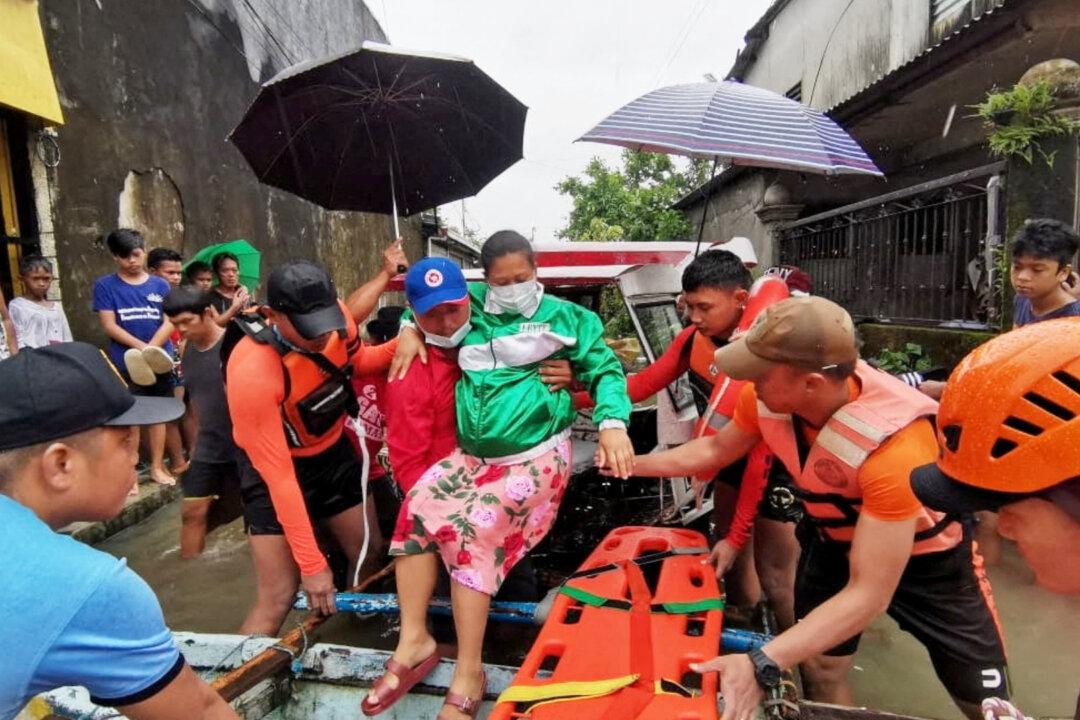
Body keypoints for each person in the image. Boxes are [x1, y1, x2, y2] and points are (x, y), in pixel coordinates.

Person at [626, 296, 1009, 720]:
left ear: (810, 383)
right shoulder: (767, 397)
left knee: (987, 705)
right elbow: (715, 450)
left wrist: (761, 662)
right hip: (834, 541)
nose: (749, 382)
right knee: (822, 665)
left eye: (760, 372)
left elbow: (869, 594)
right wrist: (628, 464)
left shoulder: (897, 448)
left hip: (931, 563)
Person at [369, 234, 634, 720]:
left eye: (522, 278)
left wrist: (612, 424)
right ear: (484, 281)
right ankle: (414, 640)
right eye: (501, 281)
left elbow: (607, 371)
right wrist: (407, 325)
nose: (512, 289)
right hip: (473, 459)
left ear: (537, 271)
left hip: (535, 456)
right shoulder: (470, 313)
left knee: (478, 529)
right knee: (418, 505)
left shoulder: (571, 319)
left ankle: (470, 669)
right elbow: (430, 311)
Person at [0, 342, 237, 720]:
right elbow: (201, 713)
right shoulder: (86, 585)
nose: (137, 455)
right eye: (127, 441)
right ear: (61, 464)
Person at [574, 250, 799, 628]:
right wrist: (571, 399)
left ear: (740, 299)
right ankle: (744, 626)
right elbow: (643, 384)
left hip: (776, 467)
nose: (693, 317)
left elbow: (760, 458)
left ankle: (794, 660)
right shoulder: (692, 339)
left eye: (704, 307)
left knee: (777, 574)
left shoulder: (767, 354)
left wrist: (742, 529)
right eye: (688, 306)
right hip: (727, 456)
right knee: (729, 551)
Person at [225, 260, 395, 635]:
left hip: (333, 454)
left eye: (325, 321)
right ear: (273, 315)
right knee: (278, 595)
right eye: (308, 329)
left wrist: (407, 341)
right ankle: (226, 687)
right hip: (275, 471)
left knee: (368, 553)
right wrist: (311, 564)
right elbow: (280, 478)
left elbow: (360, 361)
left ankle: (355, 633)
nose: (321, 336)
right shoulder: (253, 370)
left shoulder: (340, 323)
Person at [92, 229, 184, 487]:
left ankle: (157, 466)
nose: (131, 261)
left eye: (135, 254)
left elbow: (170, 320)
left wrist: (152, 348)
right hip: (126, 360)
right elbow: (109, 325)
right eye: (124, 257)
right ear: (114, 257)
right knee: (130, 416)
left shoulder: (160, 285)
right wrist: (140, 347)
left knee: (158, 413)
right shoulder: (105, 285)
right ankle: (130, 473)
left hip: (159, 359)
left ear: (144, 250)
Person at [163, 287, 243, 559]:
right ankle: (183, 578)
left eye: (187, 321)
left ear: (208, 313)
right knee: (192, 512)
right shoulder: (186, 350)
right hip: (209, 449)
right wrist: (195, 449)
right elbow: (197, 401)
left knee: (251, 516)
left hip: (244, 448)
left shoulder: (236, 345)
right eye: (175, 324)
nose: (180, 329)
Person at [1010, 218, 1080, 326]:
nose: (1022, 277)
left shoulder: (1074, 320)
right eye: (1017, 267)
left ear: (1063, 273)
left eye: (1037, 270)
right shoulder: (1022, 299)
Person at [8, 255, 73, 349]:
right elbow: (17, 339)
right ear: (22, 279)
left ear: (52, 278)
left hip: (58, 358)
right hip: (32, 359)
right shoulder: (18, 306)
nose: (41, 284)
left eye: (46, 279)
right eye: (35, 278)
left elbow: (67, 338)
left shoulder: (56, 307)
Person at [209, 252, 251, 327]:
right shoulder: (209, 296)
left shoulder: (242, 292)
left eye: (234, 270)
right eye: (225, 271)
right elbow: (213, 326)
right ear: (216, 273)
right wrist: (234, 307)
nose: (231, 275)